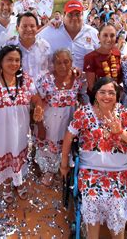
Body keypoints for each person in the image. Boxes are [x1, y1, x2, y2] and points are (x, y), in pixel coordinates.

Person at [60, 77, 127, 238]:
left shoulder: (124, 114)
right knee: (92, 200)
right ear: (95, 94)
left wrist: (121, 132)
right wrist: (64, 164)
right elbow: (69, 138)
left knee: (117, 208)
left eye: (111, 93)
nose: (107, 96)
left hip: (121, 172)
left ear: (117, 95)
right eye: (102, 92)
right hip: (91, 171)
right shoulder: (84, 113)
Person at [0, 45, 44, 203]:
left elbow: (36, 98)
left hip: (19, 130)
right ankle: (6, 184)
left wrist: (38, 108)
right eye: (9, 60)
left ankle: (18, 183)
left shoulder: (25, 79)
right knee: (2, 156)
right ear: (0, 61)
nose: (14, 63)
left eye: (17, 60)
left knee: (17, 155)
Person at [35, 49, 87, 186]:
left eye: (66, 62)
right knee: (49, 145)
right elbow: (38, 103)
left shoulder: (78, 78)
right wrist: (40, 125)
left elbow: (82, 96)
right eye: (58, 63)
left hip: (70, 119)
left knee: (67, 143)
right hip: (50, 121)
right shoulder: (46, 79)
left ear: (72, 62)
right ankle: (49, 170)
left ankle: (63, 166)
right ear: (53, 64)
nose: (63, 66)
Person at [39, 0, 99, 70]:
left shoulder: (93, 33)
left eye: (77, 14)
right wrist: (46, 25)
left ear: (82, 15)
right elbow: (32, 41)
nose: (74, 18)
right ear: (64, 15)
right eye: (70, 14)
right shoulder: (51, 31)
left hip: (87, 80)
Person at [84, 24, 122, 91]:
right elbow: (91, 86)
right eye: (105, 35)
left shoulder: (117, 53)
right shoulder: (90, 57)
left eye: (112, 35)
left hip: (116, 96)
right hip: (98, 98)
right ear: (98, 36)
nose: (109, 39)